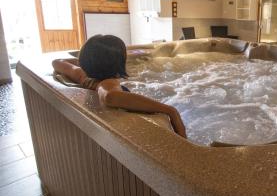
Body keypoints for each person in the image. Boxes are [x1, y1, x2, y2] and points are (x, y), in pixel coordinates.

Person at [52, 35, 186, 138]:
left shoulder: (82, 76)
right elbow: (110, 96)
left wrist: (88, 62)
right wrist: (169, 110)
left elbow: (57, 62)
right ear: (118, 62)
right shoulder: (107, 84)